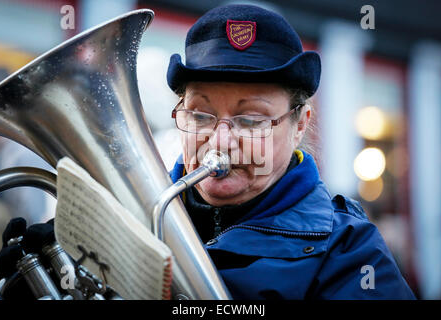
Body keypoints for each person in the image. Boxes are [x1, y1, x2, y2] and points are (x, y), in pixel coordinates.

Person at [166, 4, 415, 299]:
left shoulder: (351, 250)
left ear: (299, 125)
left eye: (250, 120)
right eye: (199, 115)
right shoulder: (142, 211)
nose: (220, 142)